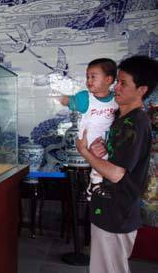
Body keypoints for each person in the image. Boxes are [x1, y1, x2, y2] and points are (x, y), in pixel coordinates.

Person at [76, 55, 158, 273]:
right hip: (109, 209)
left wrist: (84, 152)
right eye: (117, 82)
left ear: (142, 90)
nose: (117, 87)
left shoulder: (135, 123)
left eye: (123, 83)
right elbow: (113, 160)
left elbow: (115, 174)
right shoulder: (120, 119)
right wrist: (97, 151)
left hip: (117, 213)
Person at [60, 58, 118, 200]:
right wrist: (60, 99)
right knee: (101, 155)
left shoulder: (116, 99)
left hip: (107, 136)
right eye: (87, 77)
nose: (89, 80)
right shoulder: (86, 98)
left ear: (108, 79)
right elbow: (69, 101)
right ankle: (95, 184)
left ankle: (96, 184)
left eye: (93, 77)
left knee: (109, 157)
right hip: (89, 137)